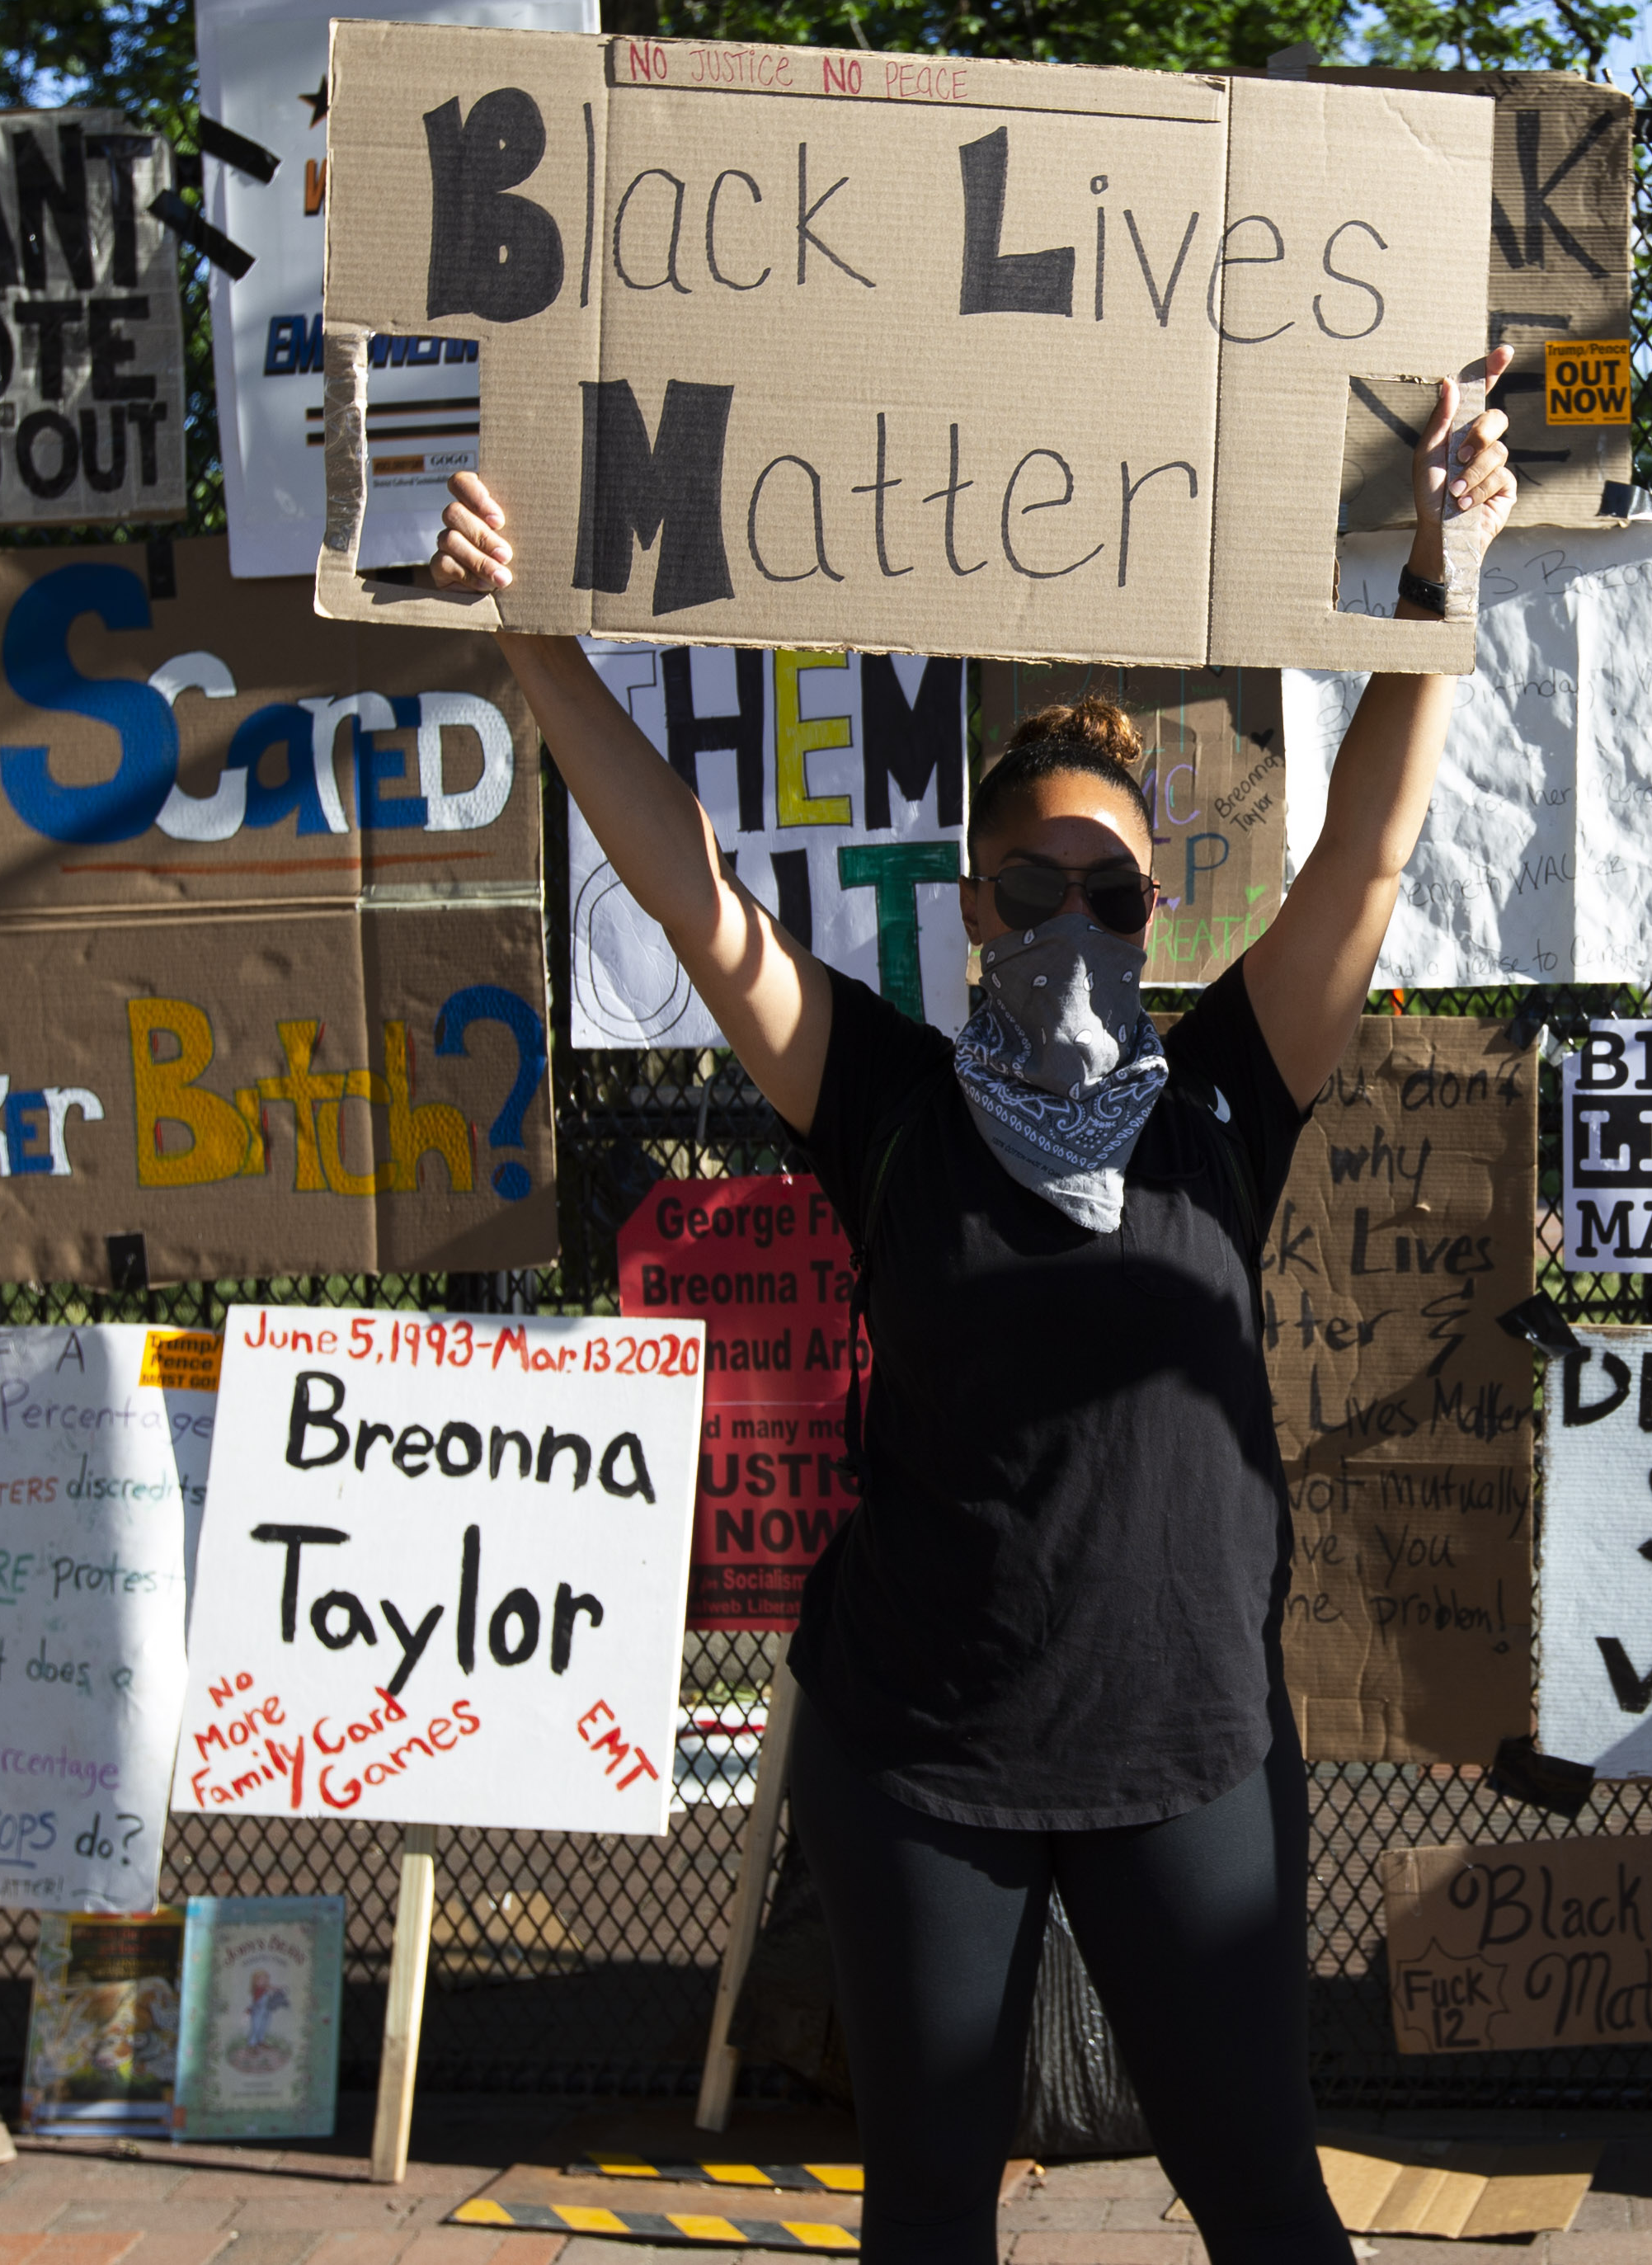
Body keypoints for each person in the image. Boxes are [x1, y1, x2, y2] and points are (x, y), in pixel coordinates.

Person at [422, 349, 1516, 2265]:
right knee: (928, 2207)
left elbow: (1367, 853)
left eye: (1119, 890)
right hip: (922, 1750)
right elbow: (696, 900)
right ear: (977, 906)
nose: (1081, 920)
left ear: (1159, 912)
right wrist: (533, 642)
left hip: (1185, 1744)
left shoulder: (1226, 1092)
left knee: (1262, 2193)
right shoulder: (887, 1096)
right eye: (1041, 883)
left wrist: (1440, 584)